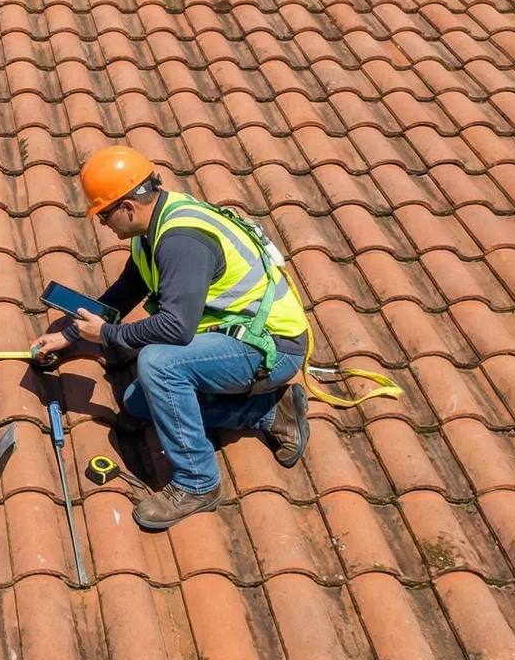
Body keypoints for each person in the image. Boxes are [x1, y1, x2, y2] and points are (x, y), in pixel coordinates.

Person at [32, 146, 312, 530]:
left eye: (103, 214)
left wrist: (109, 335)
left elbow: (175, 330)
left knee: (158, 365)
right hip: (233, 339)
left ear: (128, 207)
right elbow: (129, 288)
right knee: (139, 404)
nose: (101, 224)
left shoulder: (181, 242)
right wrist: (71, 334)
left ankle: (198, 483)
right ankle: (267, 412)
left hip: (271, 348)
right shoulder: (154, 224)